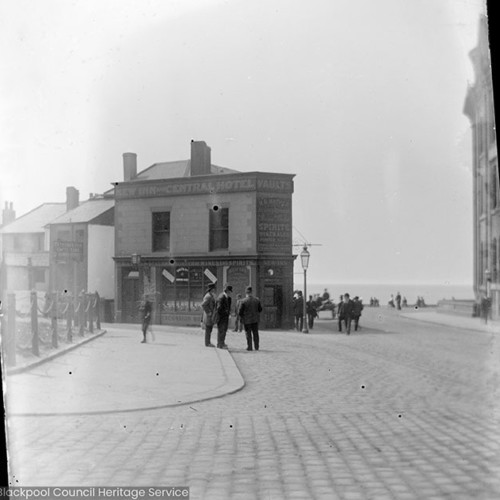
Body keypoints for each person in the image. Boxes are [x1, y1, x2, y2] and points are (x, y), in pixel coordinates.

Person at [239, 286, 263, 351]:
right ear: (251, 292)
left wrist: (242, 316)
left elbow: (240, 312)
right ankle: (256, 346)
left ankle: (249, 347)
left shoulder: (243, 301)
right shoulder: (257, 300)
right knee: (255, 333)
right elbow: (260, 309)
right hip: (255, 320)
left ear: (246, 293)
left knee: (248, 333)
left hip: (247, 320)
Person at [215, 284, 232, 349]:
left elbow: (229, 307)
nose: (230, 293)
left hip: (225, 317)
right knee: (221, 330)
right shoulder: (221, 298)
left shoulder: (228, 298)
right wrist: (226, 312)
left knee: (224, 330)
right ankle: (220, 344)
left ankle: (222, 342)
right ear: (227, 291)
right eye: (230, 292)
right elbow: (219, 308)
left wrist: (229, 313)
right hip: (221, 317)